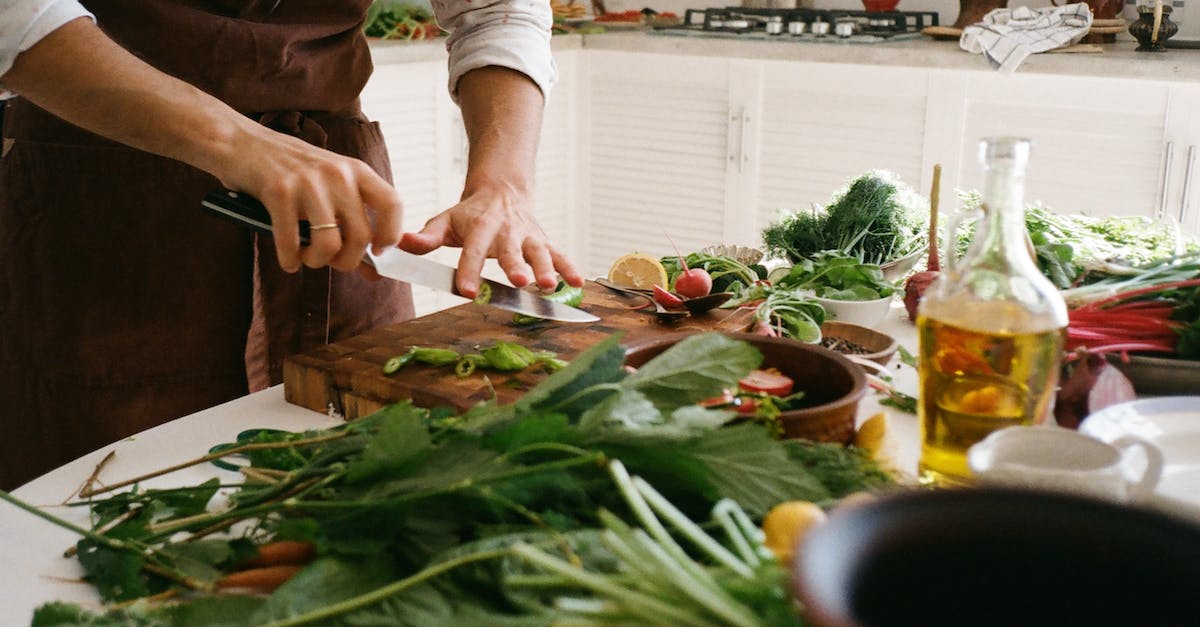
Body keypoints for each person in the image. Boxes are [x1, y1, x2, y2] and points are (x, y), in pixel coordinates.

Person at [0, 0, 583, 489]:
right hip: (103, 204)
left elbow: (496, 9)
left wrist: (502, 181)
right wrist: (235, 142)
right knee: (107, 497)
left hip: (339, 209)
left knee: (369, 479)